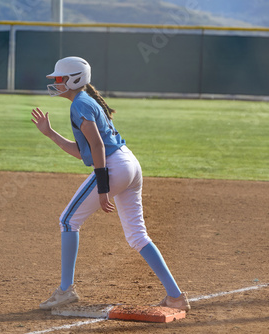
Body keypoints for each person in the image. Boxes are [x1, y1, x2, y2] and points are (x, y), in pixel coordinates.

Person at [31, 56, 190, 311]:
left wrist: (103, 188)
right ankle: (176, 297)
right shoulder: (88, 101)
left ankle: (65, 291)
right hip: (129, 164)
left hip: (114, 166)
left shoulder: (79, 105)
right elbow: (85, 152)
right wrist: (50, 134)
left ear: (74, 80)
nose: (56, 82)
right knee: (137, 235)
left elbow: (97, 146)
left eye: (59, 78)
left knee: (68, 221)